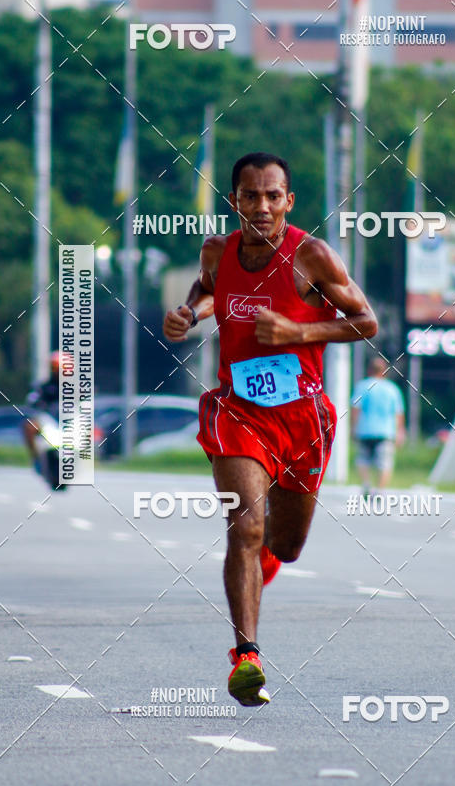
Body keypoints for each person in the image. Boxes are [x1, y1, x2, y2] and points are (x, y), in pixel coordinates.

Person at [163, 151, 377, 706]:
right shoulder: (218, 250)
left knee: (285, 543)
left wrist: (296, 333)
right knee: (246, 527)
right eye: (249, 196)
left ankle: (261, 575)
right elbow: (206, 286)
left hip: (302, 417)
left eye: (272, 196)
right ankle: (247, 656)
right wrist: (189, 312)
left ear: (289, 201)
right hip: (237, 412)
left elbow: (367, 322)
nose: (261, 206)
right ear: (234, 200)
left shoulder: (312, 257)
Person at [351, 357, 405, 493]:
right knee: (385, 462)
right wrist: (400, 432)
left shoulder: (362, 386)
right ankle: (380, 490)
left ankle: (366, 484)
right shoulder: (393, 389)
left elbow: (356, 409)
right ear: (385, 372)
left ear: (369, 370)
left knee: (363, 459)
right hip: (386, 431)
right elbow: (398, 413)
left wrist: (353, 428)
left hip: (365, 430)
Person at [23, 351, 60, 468]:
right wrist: (35, 401)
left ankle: (91, 458)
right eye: (55, 367)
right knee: (29, 426)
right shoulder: (44, 386)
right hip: (48, 419)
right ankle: (36, 457)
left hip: (69, 419)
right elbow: (33, 398)